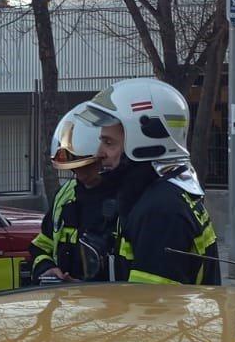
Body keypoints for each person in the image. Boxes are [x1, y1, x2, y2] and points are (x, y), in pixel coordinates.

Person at [77, 78, 220, 286]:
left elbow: (150, 308)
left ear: (142, 143)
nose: (100, 154)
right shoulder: (158, 195)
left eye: (109, 143)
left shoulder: (161, 211)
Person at [30, 108, 119, 284]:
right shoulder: (65, 195)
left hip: (109, 306)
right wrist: (47, 268)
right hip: (67, 304)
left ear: (101, 157)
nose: (78, 173)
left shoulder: (127, 200)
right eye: (73, 166)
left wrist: (87, 288)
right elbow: (41, 246)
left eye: (85, 166)